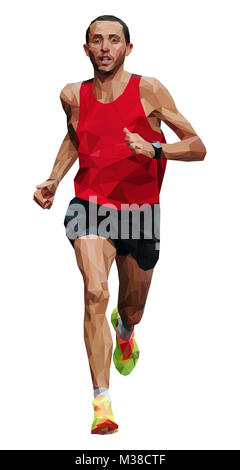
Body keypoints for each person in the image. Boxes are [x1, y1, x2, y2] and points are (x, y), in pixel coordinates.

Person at [33, 14, 207, 435]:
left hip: (141, 211)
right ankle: (101, 403)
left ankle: (125, 329)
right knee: (94, 290)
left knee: (132, 305)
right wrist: (55, 178)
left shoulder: (149, 90)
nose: (106, 48)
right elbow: (76, 137)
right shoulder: (72, 95)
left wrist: (155, 148)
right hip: (90, 204)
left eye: (114, 40)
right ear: (86, 48)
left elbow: (198, 146)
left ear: (128, 48)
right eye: (97, 41)